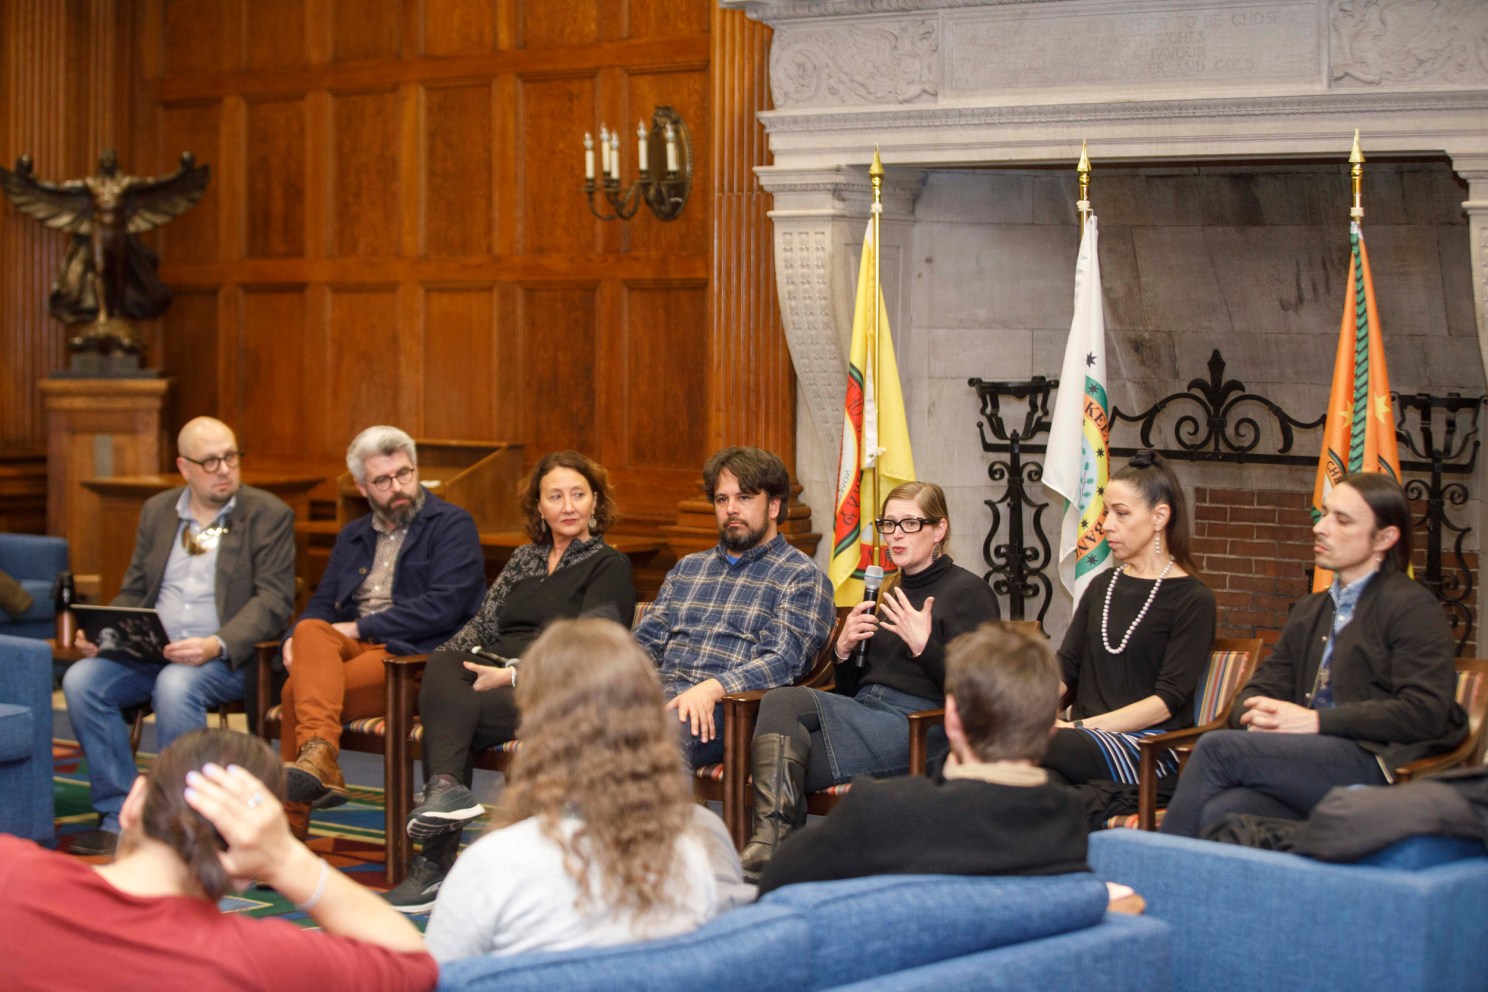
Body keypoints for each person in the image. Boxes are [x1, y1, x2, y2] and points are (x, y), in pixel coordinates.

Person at [385, 450, 637, 911]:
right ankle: (445, 790)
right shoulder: (524, 559)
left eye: (578, 495)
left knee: (448, 718)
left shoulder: (609, 566)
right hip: (488, 680)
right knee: (444, 666)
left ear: (596, 502)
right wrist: (441, 671)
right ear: (538, 507)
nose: (567, 506)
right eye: (554, 496)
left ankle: (433, 867)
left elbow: (595, 651)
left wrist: (513, 674)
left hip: (554, 691)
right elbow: (479, 628)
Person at [1, 729, 436, 992]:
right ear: (250, 862)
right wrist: (286, 860)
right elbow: (413, 966)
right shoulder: (261, 960)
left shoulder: (12, 875)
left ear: (133, 802)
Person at [424, 618, 751, 960]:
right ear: (649, 711)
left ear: (534, 721)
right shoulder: (704, 839)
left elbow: (439, 976)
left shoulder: (492, 863)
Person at [1161, 472, 1467, 838]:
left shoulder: (1413, 608)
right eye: (1324, 514)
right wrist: (1261, 715)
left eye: (1342, 520)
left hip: (1376, 764)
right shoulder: (1310, 609)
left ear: (1385, 538)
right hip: (1306, 760)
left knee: (1216, 750)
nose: (1320, 528)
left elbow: (1424, 711)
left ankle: (1152, 883)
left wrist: (1315, 722)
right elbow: (1253, 693)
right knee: (1222, 810)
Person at [739, 482, 1001, 878]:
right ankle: (780, 853)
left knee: (775, 755)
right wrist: (843, 653)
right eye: (888, 524)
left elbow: (978, 694)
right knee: (780, 709)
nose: (895, 534)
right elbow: (849, 692)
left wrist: (923, 646)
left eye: (909, 523)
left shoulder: (969, 592)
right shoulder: (886, 589)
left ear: (939, 529)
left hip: (918, 725)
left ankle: (776, 853)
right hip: (866, 712)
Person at [62, 416, 296, 856]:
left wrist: (215, 643)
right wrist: (105, 632)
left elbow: (273, 601)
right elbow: (135, 588)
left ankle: (182, 823)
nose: (225, 468)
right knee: (81, 680)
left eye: (231, 456)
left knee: (175, 685)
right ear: (184, 467)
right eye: (210, 461)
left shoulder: (267, 514)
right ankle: (119, 813)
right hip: (153, 650)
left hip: (225, 658)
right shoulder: (158, 511)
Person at [758, 623, 1088, 894]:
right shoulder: (1072, 822)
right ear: (1051, 727)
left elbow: (779, 881)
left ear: (952, 718)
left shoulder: (887, 810)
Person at [279, 426, 485, 815]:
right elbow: (322, 603)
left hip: (411, 657)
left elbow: (443, 606)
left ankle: (294, 819)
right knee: (307, 629)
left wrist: (360, 628)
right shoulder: (354, 534)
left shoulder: (452, 525)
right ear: (361, 487)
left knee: (295, 694)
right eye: (383, 480)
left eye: (404, 473)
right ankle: (319, 759)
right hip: (353, 648)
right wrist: (293, 638)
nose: (398, 486)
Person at [631, 446, 836, 769]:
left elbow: (781, 662)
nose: (731, 509)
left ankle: (663, 821)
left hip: (729, 710)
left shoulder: (801, 576)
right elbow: (644, 645)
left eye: (744, 498)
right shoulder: (688, 569)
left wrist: (712, 689)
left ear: (774, 506)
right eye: (722, 499)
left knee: (653, 741)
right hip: (658, 697)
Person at [1045, 450, 1216, 789]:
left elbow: (1165, 703)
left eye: (1121, 514)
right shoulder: (1102, 586)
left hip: (1148, 747)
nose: (1106, 524)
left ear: (1160, 516)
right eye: (1107, 512)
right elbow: (1066, 666)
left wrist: (1079, 728)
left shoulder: (1193, 599)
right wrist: (1027, 711)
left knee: (1035, 746)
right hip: (1081, 742)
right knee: (1024, 773)